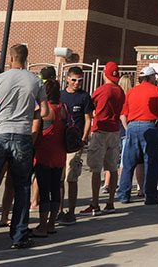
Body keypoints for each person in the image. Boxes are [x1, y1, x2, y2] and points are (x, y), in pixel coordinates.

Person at [0, 44, 48, 251]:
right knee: (21, 186)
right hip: (22, 134)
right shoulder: (36, 80)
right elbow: (46, 111)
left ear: (11, 58)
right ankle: (19, 235)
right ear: (26, 58)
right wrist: (31, 115)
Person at [117, 66, 158, 206]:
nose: (155, 79)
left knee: (128, 163)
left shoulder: (132, 91)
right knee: (151, 163)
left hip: (133, 125)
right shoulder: (156, 91)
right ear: (151, 77)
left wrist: (128, 128)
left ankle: (124, 194)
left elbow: (123, 114)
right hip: (150, 126)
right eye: (154, 77)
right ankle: (150, 195)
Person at [81, 61, 124, 217]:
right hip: (114, 130)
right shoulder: (120, 90)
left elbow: (92, 106)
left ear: (104, 73)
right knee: (112, 168)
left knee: (95, 168)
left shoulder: (102, 90)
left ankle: (94, 203)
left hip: (101, 129)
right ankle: (110, 202)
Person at [56, 65, 93, 226]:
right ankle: (58, 210)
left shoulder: (84, 97)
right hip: (58, 142)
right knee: (59, 178)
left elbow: (88, 119)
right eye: (74, 80)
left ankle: (71, 212)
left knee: (72, 178)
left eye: (80, 80)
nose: (77, 83)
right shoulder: (60, 95)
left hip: (74, 144)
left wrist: (83, 139)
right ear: (67, 79)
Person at [32, 79, 66, 238]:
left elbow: (36, 132)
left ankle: (43, 226)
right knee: (55, 188)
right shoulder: (63, 108)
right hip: (60, 153)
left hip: (44, 153)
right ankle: (52, 223)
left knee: (44, 191)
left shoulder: (45, 111)